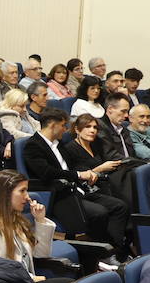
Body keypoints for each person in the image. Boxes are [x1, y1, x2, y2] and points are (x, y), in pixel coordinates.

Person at [23, 109, 129, 261]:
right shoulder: (33, 145)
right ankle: (102, 255)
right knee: (99, 212)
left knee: (120, 207)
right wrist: (79, 175)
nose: (65, 130)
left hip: (77, 190)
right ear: (53, 125)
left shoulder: (58, 144)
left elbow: (71, 167)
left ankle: (115, 252)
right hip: (58, 196)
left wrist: (87, 174)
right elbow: (47, 173)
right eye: (63, 125)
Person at [0, 171, 73, 283]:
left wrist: (40, 220)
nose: (27, 197)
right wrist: (30, 278)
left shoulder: (16, 219)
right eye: (22, 191)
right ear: (5, 193)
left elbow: (42, 255)